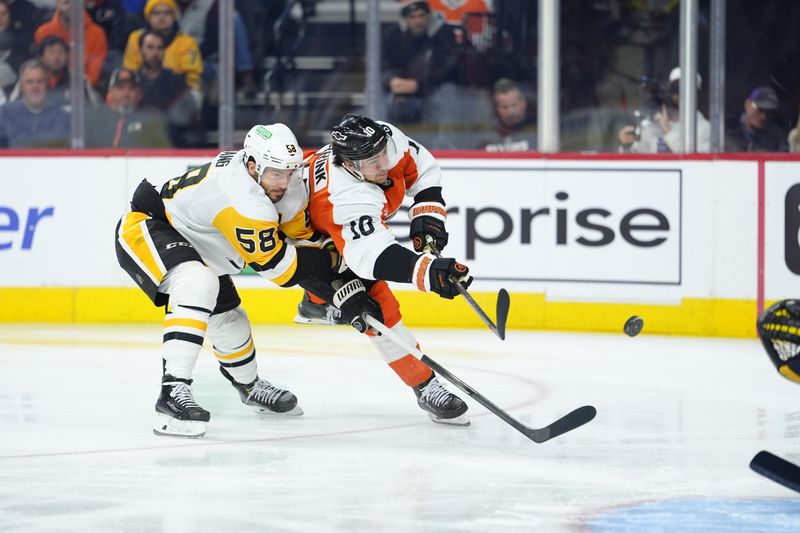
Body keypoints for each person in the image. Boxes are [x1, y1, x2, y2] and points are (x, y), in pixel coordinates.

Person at [114, 123, 375, 438]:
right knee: (199, 283)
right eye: (276, 174)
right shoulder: (240, 196)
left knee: (230, 322)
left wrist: (341, 284)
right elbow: (281, 269)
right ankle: (172, 392)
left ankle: (249, 387)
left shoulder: (284, 186)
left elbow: (303, 245)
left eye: (290, 172)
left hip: (200, 244)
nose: (284, 182)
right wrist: (333, 268)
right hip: (149, 227)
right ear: (252, 166)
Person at [301, 113, 473, 426]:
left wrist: (427, 212)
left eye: (383, 155)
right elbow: (369, 257)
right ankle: (425, 385)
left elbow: (422, 169)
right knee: (377, 309)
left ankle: (315, 302)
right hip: (310, 236)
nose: (383, 165)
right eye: (372, 162)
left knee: (364, 301)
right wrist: (429, 273)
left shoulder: (385, 140)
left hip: (348, 235)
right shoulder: (343, 196)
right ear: (351, 166)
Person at [382, 0, 460, 124]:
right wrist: (392, 80)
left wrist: (418, 83)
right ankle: (380, 138)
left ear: (428, 16)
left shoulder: (443, 33)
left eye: (421, 15)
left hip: (434, 84)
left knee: (447, 93)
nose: (418, 21)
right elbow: (383, 64)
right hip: (400, 85)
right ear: (405, 19)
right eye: (412, 17)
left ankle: (443, 142)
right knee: (377, 94)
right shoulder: (393, 35)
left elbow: (448, 67)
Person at [122, 0, 203, 101]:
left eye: (167, 13)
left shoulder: (188, 42)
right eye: (156, 13)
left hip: (176, 91)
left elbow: (192, 78)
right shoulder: (135, 38)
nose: (162, 17)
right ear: (148, 17)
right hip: (141, 89)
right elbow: (130, 69)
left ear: (174, 17)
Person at [618, 66, 711, 153]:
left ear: (696, 95)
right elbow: (636, 158)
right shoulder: (652, 126)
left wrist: (667, 130)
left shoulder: (705, 128)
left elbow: (694, 162)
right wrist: (626, 144)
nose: (680, 95)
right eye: (676, 89)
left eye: (687, 90)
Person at [134, 29, 198, 146]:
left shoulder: (176, 82)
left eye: (159, 48)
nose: (155, 53)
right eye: (150, 47)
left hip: (170, 143)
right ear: (141, 50)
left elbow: (188, 119)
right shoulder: (132, 81)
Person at [84, 67, 171, 147]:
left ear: (139, 94)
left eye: (132, 88)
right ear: (111, 92)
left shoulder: (153, 119)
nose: (126, 93)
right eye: (120, 88)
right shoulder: (94, 117)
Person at [34, 0, 109, 89]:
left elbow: (94, 75)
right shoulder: (43, 32)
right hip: (47, 91)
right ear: (57, 4)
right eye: (67, 2)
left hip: (84, 93)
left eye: (76, 3)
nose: (72, 7)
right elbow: (40, 69)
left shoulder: (97, 34)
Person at [0, 59, 69, 148]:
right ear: (21, 87)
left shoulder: (63, 118)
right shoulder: (3, 114)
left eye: (40, 81)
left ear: (47, 85)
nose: (35, 87)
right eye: (29, 82)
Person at [477, 77, 536, 152]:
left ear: (524, 103)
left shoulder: (539, 133)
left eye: (514, 105)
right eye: (504, 107)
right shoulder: (487, 137)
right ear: (497, 109)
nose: (510, 111)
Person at [726, 86, 787, 152]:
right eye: (759, 109)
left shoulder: (776, 137)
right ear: (747, 104)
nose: (764, 116)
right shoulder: (725, 128)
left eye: (769, 112)